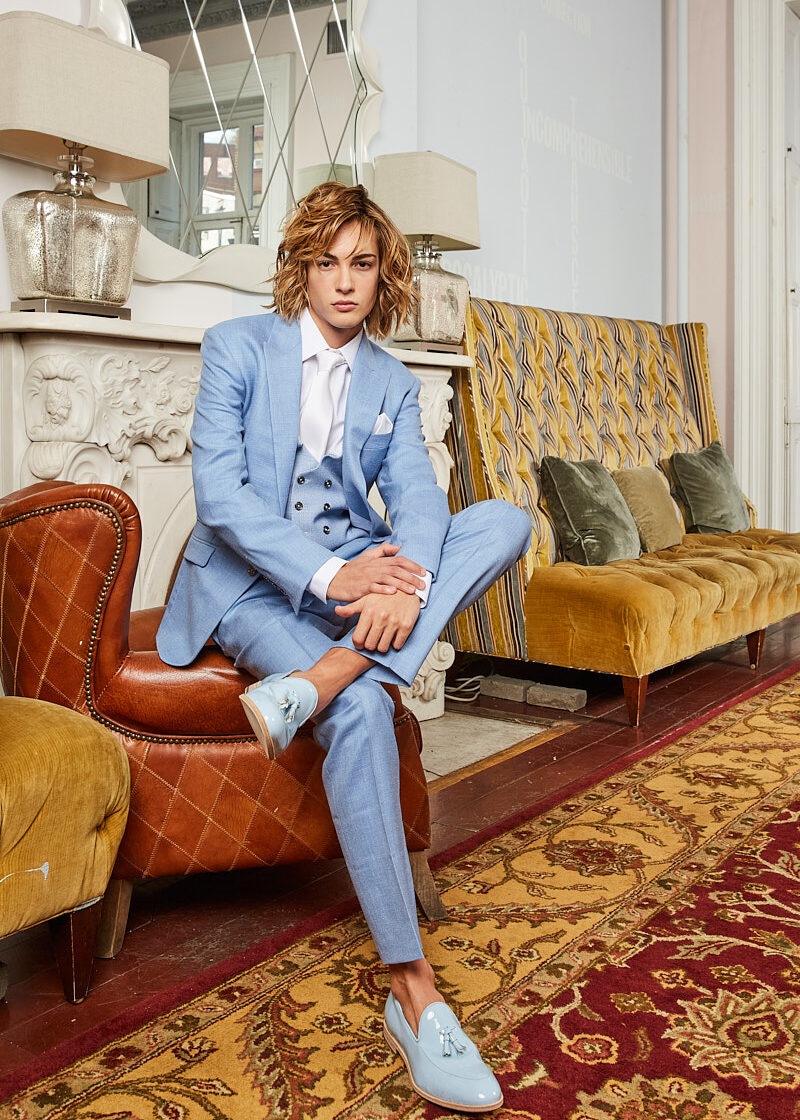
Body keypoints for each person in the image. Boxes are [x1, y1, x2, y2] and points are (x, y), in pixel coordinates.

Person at [157, 181, 531, 1113]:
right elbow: (224, 500)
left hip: (358, 583)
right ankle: (415, 992)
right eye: (326, 262)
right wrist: (338, 583)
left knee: (503, 520)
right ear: (301, 267)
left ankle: (322, 677)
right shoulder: (238, 347)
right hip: (251, 584)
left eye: (361, 264)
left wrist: (396, 579)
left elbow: (416, 500)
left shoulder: (393, 381)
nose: (343, 282)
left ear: (383, 274)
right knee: (363, 710)